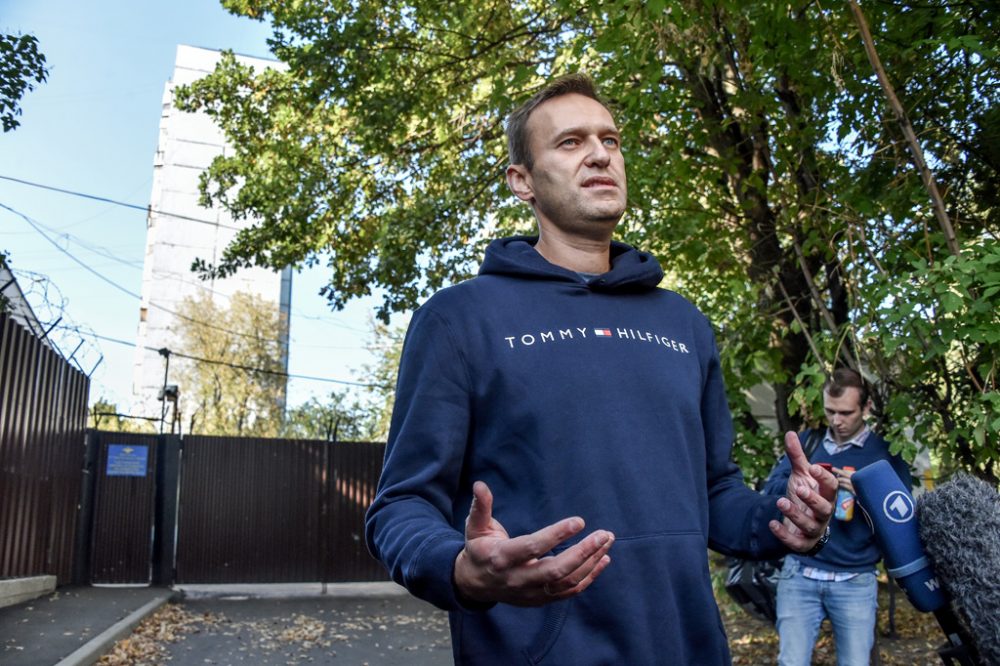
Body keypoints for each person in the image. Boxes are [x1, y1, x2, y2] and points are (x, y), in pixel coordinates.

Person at [365, 73, 837, 665]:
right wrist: (459, 568)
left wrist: (784, 518)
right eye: (569, 142)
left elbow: (714, 492)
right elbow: (400, 506)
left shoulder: (683, 323)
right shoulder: (460, 319)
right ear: (522, 181)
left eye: (610, 140)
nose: (598, 153)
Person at [765, 368, 913, 666]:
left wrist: (865, 491)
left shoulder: (885, 453)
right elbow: (770, 490)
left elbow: (901, 519)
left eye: (845, 412)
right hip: (800, 574)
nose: (836, 420)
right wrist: (802, 485)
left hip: (855, 578)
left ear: (867, 407)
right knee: (790, 662)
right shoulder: (807, 443)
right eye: (830, 411)